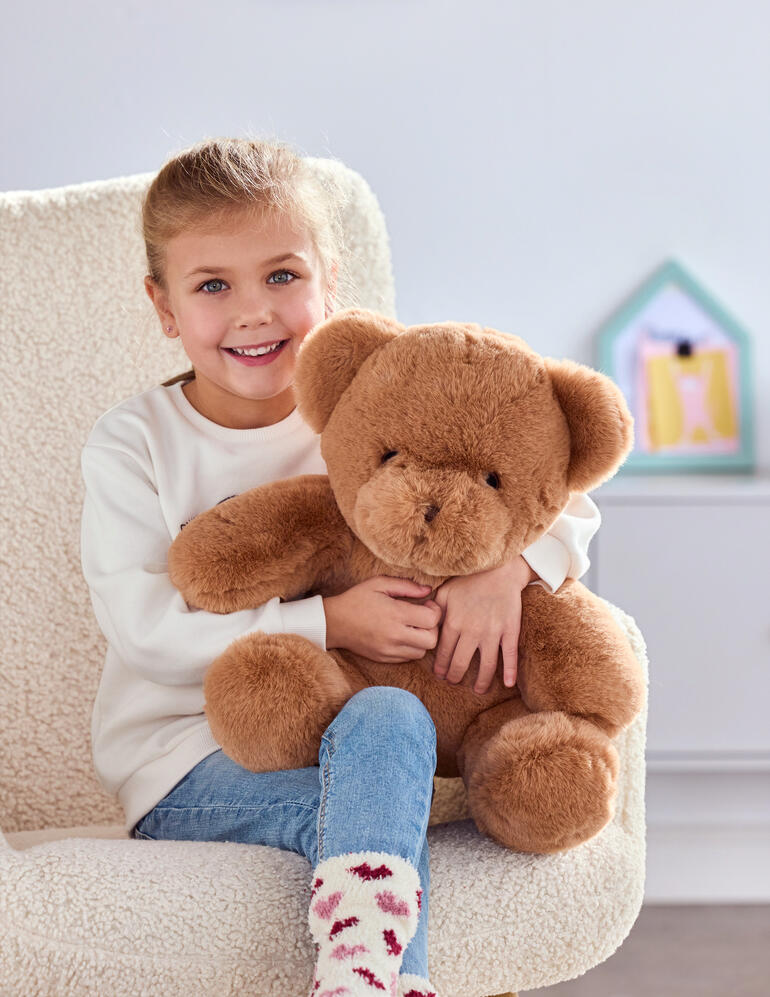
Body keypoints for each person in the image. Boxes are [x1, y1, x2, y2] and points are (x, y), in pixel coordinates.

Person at [80, 138, 601, 997]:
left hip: (365, 737)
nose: (254, 312)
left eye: (282, 276)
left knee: (392, 719)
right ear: (165, 306)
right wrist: (327, 622)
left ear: (330, 278)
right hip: (188, 764)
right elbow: (145, 634)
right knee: (382, 820)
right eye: (213, 286)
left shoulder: (375, 406)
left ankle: (359, 979)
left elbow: (556, 490)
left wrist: (507, 572)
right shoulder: (135, 444)